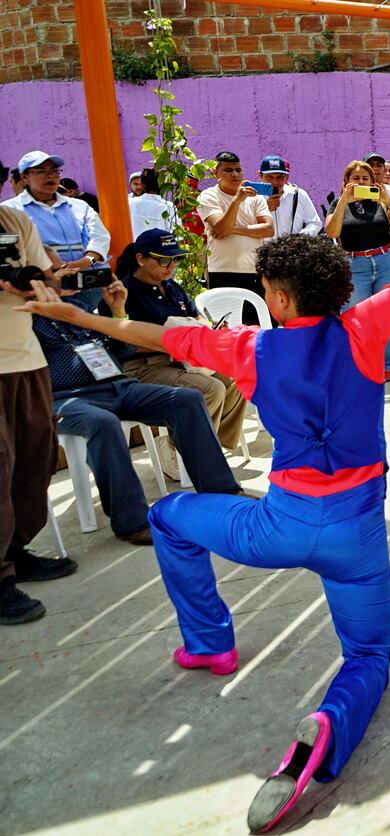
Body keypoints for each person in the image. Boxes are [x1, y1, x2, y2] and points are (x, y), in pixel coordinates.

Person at [20, 140, 390, 833]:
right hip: (358, 531)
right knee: (368, 655)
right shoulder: (367, 328)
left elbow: (150, 334)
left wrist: (73, 316)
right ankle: (326, 729)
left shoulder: (248, 349)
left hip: (276, 526)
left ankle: (210, 642)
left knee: (169, 517)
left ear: (277, 298)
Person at [29, 279, 240, 545]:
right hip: (65, 397)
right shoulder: (22, 320)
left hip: (117, 385)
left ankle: (222, 492)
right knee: (102, 423)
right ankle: (132, 521)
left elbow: (124, 352)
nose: (70, 275)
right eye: (58, 271)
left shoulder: (79, 308)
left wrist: (118, 311)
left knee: (187, 399)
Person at [0, 204, 74, 625]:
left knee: (33, 459)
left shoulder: (14, 221)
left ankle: (15, 551)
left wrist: (37, 281)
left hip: (26, 359)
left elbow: (41, 271)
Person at [113, 229, 248, 456]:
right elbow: (122, 342)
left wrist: (209, 328)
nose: (172, 265)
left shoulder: (172, 287)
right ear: (141, 259)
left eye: (176, 259)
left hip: (185, 360)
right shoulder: (122, 294)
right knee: (210, 389)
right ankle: (182, 451)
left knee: (239, 379)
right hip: (144, 365)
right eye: (165, 260)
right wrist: (170, 342)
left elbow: (196, 315)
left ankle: (206, 445)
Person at [324, 160, 390, 381]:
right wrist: (344, 200)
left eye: (365, 179)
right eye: (356, 178)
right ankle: (358, 365)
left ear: (373, 181)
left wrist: (387, 200)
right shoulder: (338, 203)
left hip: (387, 261)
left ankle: (386, 365)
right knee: (353, 318)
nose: (360, 182)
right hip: (355, 264)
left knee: (387, 317)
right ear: (346, 181)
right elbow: (332, 232)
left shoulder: (381, 202)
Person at [3, 151, 110, 276]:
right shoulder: (9, 210)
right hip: (42, 284)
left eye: (55, 171)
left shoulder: (79, 206)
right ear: (24, 177)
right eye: (41, 171)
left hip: (88, 279)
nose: (50, 176)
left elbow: (100, 238)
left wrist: (86, 262)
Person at [196, 151, 274, 324]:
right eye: (228, 170)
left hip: (254, 271)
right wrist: (237, 201)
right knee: (228, 329)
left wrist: (234, 229)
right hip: (223, 271)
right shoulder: (208, 196)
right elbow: (221, 228)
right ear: (216, 173)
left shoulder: (255, 197)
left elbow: (268, 229)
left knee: (256, 326)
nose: (235, 175)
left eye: (238, 170)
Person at [257, 155, 322, 238]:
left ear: (286, 177)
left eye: (279, 177)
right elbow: (246, 227)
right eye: (270, 177)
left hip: (294, 250)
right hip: (263, 249)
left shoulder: (299, 195)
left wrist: (300, 238)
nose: (275, 182)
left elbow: (315, 223)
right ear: (260, 175)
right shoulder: (253, 198)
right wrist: (266, 210)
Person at [128, 168, 179, 237]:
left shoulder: (130, 203)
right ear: (163, 186)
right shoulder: (169, 207)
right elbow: (176, 236)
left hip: (134, 246)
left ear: (142, 184)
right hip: (161, 247)